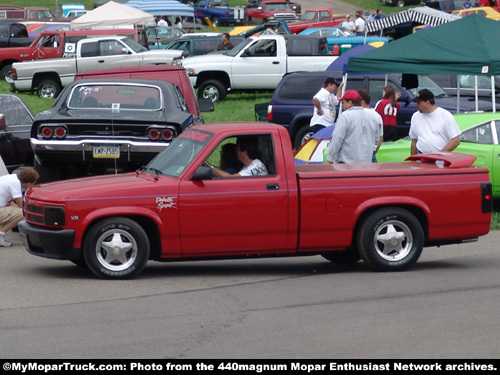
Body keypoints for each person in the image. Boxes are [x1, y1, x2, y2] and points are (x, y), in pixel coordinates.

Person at [326, 90, 380, 164]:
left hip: (346, 163)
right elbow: (377, 139)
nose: (343, 105)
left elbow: (337, 138)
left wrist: (330, 159)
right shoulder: (373, 117)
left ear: (350, 103)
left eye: (343, 102)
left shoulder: (345, 116)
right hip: (366, 163)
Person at [409, 89, 461, 155]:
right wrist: (413, 160)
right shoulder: (415, 116)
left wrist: (439, 155)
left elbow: (456, 141)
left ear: (427, 103)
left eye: (418, 103)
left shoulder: (445, 115)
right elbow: (414, 141)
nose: (416, 105)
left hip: (440, 159)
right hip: (421, 157)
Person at [0, 167, 39, 247]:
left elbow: (10, 202)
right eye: (33, 184)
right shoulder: (15, 183)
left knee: (19, 212)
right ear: (28, 183)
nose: (32, 186)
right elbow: (21, 205)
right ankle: (1, 233)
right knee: (25, 214)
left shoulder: (10, 178)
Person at [358, 89, 383, 161]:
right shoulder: (377, 116)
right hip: (372, 153)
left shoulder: (358, 114)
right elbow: (380, 139)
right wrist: (374, 151)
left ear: (362, 101)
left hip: (358, 155)